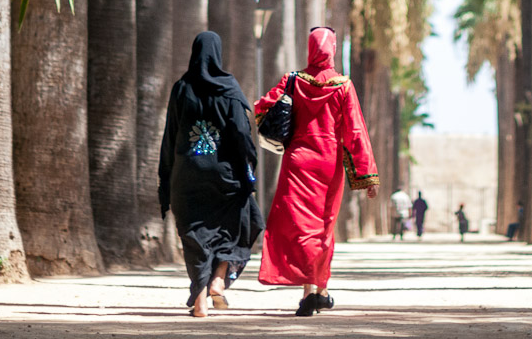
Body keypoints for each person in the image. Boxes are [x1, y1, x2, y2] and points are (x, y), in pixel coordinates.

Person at [255, 27, 378, 317]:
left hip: (297, 161)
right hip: (328, 164)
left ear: (311, 47)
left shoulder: (293, 80)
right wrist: (366, 176)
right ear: (332, 49)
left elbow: (263, 107)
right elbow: (355, 132)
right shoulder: (343, 85)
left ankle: (313, 292)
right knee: (323, 228)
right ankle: (317, 291)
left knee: (299, 227)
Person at [159, 32, 264, 317]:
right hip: (224, 176)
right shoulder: (229, 88)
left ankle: (200, 299)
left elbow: (170, 135)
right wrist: (248, 166)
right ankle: (219, 278)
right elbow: (242, 133)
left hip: (187, 174)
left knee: (195, 234)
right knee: (241, 223)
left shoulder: (181, 88)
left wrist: (166, 177)